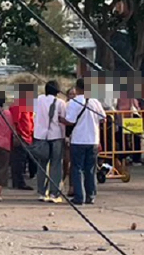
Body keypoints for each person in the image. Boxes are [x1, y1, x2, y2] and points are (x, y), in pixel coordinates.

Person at [65, 78, 106, 206]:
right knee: (91, 169)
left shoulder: (74, 102)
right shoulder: (95, 102)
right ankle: (91, 195)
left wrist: (61, 120)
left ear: (77, 89)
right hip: (93, 139)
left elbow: (70, 121)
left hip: (78, 140)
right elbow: (103, 118)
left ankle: (79, 196)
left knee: (77, 168)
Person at [32, 80, 68, 204]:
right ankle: (54, 193)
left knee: (42, 164)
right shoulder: (60, 103)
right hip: (56, 135)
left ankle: (41, 192)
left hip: (40, 136)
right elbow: (63, 119)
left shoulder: (38, 100)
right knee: (56, 165)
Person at [8, 86, 35, 191]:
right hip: (21, 136)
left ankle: (19, 181)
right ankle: (19, 182)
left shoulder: (27, 106)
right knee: (18, 161)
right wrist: (15, 135)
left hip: (27, 136)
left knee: (22, 160)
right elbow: (14, 122)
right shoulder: (18, 105)